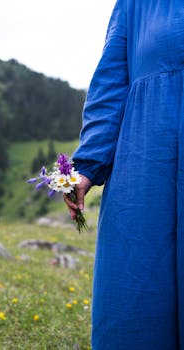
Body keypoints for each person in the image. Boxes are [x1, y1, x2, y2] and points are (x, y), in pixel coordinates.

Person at [63, 0, 184, 348]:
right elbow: (112, 84)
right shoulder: (135, 4)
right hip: (145, 166)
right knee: (138, 296)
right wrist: (86, 165)